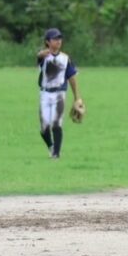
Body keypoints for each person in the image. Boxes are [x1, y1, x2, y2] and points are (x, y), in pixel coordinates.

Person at [36, 27, 83, 159]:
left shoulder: (65, 58)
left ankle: (56, 154)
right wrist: (42, 53)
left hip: (59, 94)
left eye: (59, 38)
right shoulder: (44, 57)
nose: (58, 41)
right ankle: (51, 146)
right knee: (44, 127)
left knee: (56, 124)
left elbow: (72, 77)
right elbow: (39, 56)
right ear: (47, 41)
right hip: (45, 93)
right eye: (55, 39)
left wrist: (77, 98)